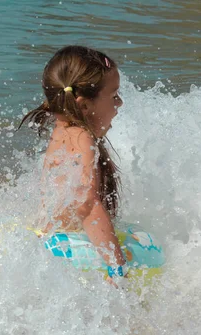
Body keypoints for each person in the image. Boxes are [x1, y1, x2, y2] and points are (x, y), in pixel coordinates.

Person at [20, 45, 126, 286]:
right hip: (70, 247)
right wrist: (116, 266)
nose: (119, 103)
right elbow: (86, 202)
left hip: (52, 236)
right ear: (84, 105)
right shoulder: (82, 138)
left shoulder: (62, 129)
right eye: (114, 95)